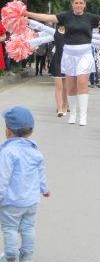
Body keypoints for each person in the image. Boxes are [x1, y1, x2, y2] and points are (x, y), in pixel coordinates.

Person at [27, 0, 100, 126]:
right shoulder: (65, 16)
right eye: (76, 3)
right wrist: (27, 13)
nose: (78, 5)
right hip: (69, 54)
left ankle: (83, 116)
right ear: (72, 4)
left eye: (81, 3)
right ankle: (72, 114)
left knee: (82, 82)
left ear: (85, 4)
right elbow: (46, 17)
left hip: (84, 54)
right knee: (71, 86)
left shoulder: (90, 17)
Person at [0, 106, 50, 262]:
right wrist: (44, 188)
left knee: (10, 228)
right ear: (31, 131)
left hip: (12, 201)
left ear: (8, 131)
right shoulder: (35, 151)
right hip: (31, 201)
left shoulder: (8, 152)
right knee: (28, 227)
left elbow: (3, 177)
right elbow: (40, 172)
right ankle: (27, 255)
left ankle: (10, 256)